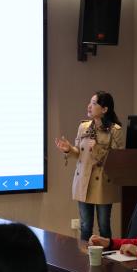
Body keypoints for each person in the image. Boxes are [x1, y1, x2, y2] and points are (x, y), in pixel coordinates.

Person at [54, 91, 125, 242]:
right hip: (84, 181)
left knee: (104, 226)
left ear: (104, 109)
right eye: (90, 102)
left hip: (103, 184)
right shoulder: (83, 127)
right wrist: (68, 149)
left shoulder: (115, 130)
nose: (89, 106)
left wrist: (98, 149)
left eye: (94, 103)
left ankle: (106, 256)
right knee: (85, 226)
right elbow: (79, 153)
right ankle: (84, 255)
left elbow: (117, 160)